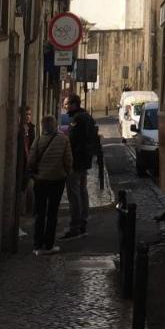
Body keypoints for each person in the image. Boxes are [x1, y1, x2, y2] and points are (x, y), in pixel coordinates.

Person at [27, 114, 72, 255]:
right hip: (57, 181)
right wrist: (64, 173)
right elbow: (68, 161)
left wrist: (35, 173)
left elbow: (31, 160)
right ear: (55, 126)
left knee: (40, 213)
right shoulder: (64, 140)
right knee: (52, 213)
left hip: (40, 181)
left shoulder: (39, 140)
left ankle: (37, 245)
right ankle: (49, 245)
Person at [60, 94, 102, 240]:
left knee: (74, 193)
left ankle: (75, 226)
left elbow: (73, 141)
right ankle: (82, 222)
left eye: (66, 104)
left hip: (77, 161)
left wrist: (69, 158)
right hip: (85, 161)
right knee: (82, 191)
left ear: (74, 104)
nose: (65, 107)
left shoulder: (78, 119)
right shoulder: (86, 116)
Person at [17, 106, 35, 216]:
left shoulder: (31, 128)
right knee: (22, 190)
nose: (28, 117)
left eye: (29, 114)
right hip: (21, 164)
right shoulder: (19, 130)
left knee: (29, 190)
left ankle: (27, 213)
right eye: (26, 114)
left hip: (29, 165)